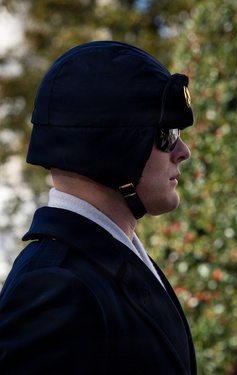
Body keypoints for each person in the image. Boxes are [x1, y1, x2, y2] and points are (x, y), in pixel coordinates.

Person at [0, 41, 196, 374]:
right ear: (114, 144)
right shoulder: (55, 287)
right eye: (165, 133)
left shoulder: (107, 258)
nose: (182, 150)